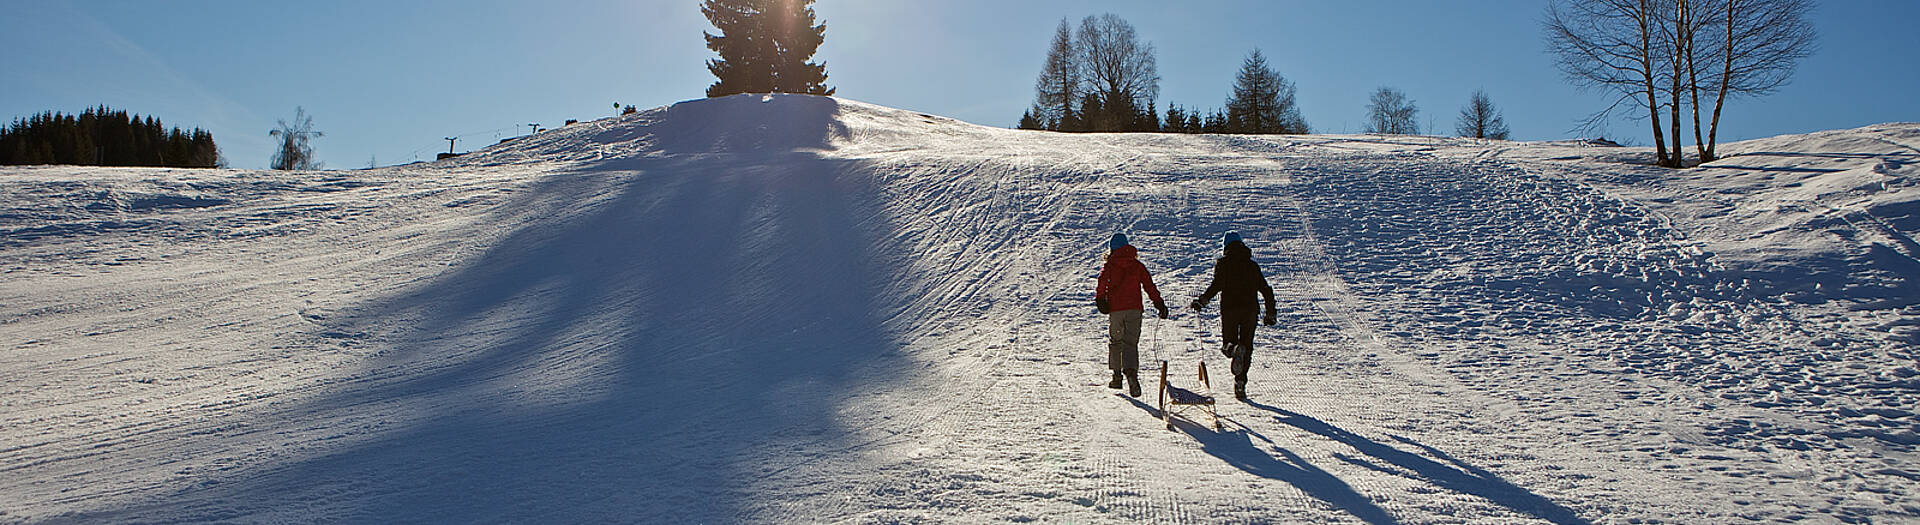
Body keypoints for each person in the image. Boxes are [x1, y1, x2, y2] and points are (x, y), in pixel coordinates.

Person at [1189, 231, 1276, 400]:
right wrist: (1270, 313)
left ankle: (1233, 349)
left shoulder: (1224, 264)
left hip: (1230, 310)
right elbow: (1266, 290)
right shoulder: (1252, 266)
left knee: (1228, 345)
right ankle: (1240, 381)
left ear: (1225, 247)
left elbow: (1217, 285)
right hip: (1250, 311)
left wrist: (1202, 301)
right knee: (1247, 347)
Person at [1095, 232, 1168, 397]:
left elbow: (1102, 283)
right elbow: (1149, 285)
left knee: (1116, 341)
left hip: (1116, 310)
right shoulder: (1137, 265)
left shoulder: (1110, 266)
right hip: (1134, 309)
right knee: (1130, 343)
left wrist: (1100, 300)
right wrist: (1158, 303)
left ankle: (1116, 376)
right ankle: (1132, 375)